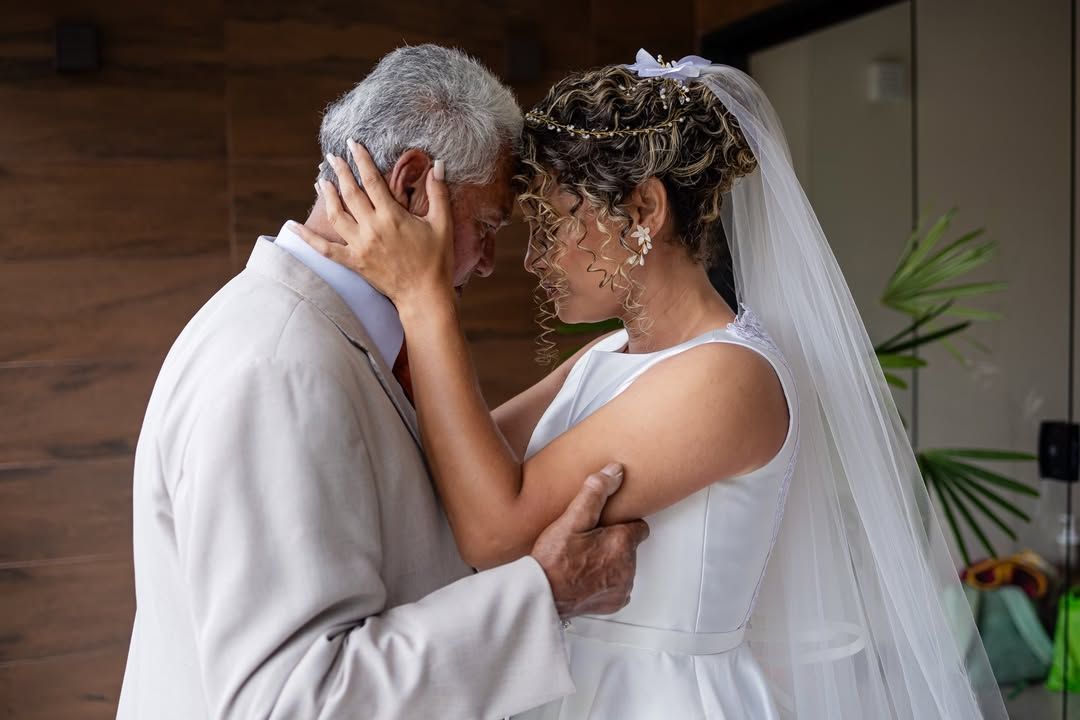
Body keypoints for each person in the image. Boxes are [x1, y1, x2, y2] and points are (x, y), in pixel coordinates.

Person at [296, 50, 1010, 718]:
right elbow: (451, 465)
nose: (534, 259)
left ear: (643, 211)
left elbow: (493, 531)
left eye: (554, 224)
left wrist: (425, 300)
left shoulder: (728, 377)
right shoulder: (607, 353)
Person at [117, 44, 649, 720]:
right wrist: (545, 594)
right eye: (487, 226)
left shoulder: (333, 337)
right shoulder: (277, 366)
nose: (489, 263)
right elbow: (291, 704)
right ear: (412, 185)